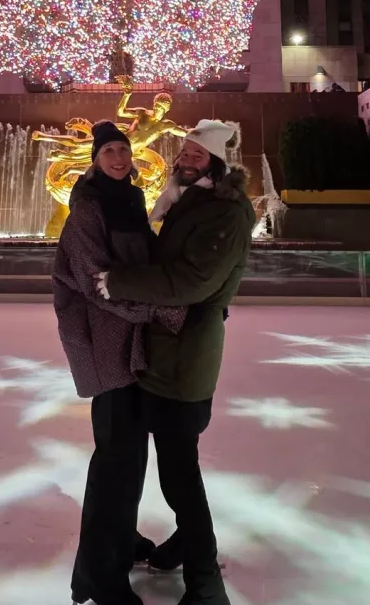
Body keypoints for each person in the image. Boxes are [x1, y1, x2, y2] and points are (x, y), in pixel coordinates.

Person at [96, 120, 256, 605]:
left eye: (197, 156)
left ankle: (206, 585)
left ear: (217, 164)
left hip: (185, 355)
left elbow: (192, 281)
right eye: (184, 153)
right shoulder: (194, 201)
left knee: (179, 473)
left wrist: (118, 282)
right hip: (167, 348)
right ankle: (181, 549)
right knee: (176, 465)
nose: (186, 161)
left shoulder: (226, 211)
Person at [53, 120, 186, 605]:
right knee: (115, 458)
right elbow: (97, 282)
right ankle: (99, 576)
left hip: (133, 343)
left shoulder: (129, 201)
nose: (119, 158)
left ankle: (122, 543)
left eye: (123, 150)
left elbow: (145, 266)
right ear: (95, 157)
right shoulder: (86, 212)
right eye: (109, 150)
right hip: (105, 344)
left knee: (131, 453)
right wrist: (160, 309)